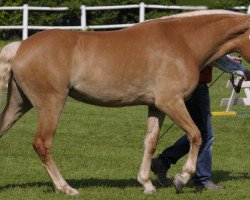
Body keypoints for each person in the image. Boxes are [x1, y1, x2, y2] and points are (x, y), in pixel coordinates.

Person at [151, 55, 247, 190]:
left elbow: (210, 52)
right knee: (205, 134)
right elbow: (210, 53)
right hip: (196, 83)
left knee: (197, 133)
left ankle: (163, 161)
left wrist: (228, 58)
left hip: (188, 81)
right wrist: (239, 69)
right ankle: (202, 180)